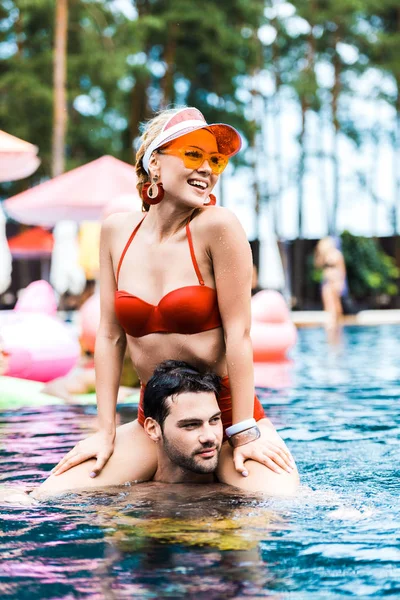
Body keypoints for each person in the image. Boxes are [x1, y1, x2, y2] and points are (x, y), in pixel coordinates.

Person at [51, 106, 299, 495]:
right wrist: (104, 432)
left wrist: (246, 429)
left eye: (215, 160)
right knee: (47, 496)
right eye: (193, 155)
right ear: (155, 162)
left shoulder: (218, 227)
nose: (208, 169)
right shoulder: (116, 231)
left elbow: (240, 334)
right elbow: (109, 337)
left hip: (224, 415)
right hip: (153, 421)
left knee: (280, 502)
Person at [25, 361, 224, 498]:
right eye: (191, 425)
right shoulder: (123, 496)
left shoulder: (235, 495)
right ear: (153, 429)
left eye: (215, 420)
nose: (209, 437)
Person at [314, 237, 347, 333]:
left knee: (336, 303)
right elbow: (317, 265)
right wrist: (319, 253)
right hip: (326, 281)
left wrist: (341, 283)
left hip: (335, 280)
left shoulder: (337, 254)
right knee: (328, 303)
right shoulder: (324, 255)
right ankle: (331, 322)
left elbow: (342, 269)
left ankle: (338, 323)